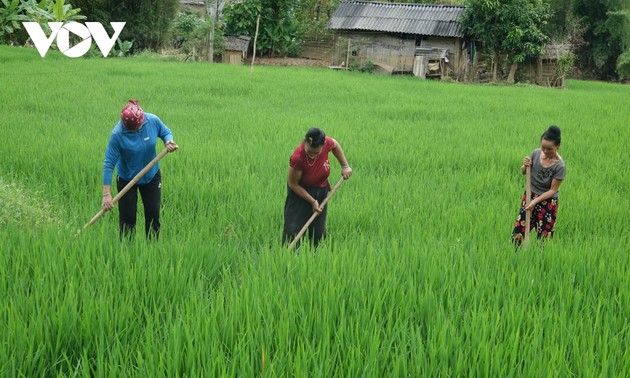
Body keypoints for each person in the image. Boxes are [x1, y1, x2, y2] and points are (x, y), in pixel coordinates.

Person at [102, 100, 178, 239]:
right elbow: (108, 163)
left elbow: (165, 132)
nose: (136, 130)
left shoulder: (152, 120)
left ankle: (152, 249)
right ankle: (127, 250)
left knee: (153, 213)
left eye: (137, 127)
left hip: (151, 176)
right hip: (127, 178)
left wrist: (168, 141)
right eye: (131, 128)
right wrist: (106, 193)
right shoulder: (117, 135)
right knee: (127, 218)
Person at [283, 127, 352, 248]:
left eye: (316, 153)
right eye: (309, 152)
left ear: (323, 145)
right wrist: (312, 201)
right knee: (293, 230)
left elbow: (335, 144)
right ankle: (289, 260)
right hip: (300, 194)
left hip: (321, 191)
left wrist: (345, 165)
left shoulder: (326, 143)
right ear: (305, 142)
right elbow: (293, 184)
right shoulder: (298, 158)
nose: (312, 155)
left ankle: (316, 258)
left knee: (318, 232)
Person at [512, 125, 566, 246]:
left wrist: (535, 201)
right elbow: (523, 172)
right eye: (543, 147)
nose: (545, 151)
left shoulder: (560, 166)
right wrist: (525, 165)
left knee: (544, 240)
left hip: (547, 202)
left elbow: (553, 190)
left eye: (549, 149)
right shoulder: (536, 154)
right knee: (518, 234)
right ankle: (516, 258)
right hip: (530, 196)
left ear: (558, 146)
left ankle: (540, 262)